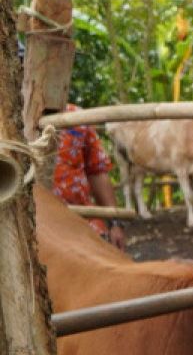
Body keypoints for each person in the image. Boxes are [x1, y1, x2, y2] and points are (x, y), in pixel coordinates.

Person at [20, 40, 127, 250]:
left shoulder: (75, 119)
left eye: (24, 68)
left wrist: (114, 223)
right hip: (27, 234)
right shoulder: (6, 128)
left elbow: (97, 171)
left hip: (81, 225)